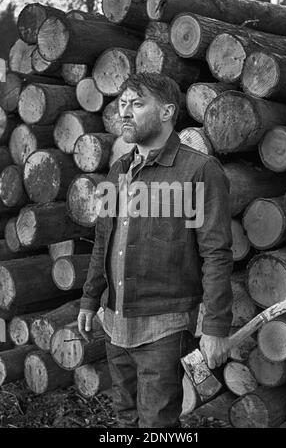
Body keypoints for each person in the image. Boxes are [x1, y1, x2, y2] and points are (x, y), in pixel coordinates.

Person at [78, 72, 233, 428]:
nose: (125, 112)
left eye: (137, 103)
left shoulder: (199, 170)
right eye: (122, 104)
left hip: (164, 325)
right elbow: (104, 238)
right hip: (115, 320)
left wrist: (216, 327)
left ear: (166, 111)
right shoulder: (118, 169)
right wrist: (90, 298)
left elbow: (216, 253)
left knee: (156, 425)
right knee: (125, 416)